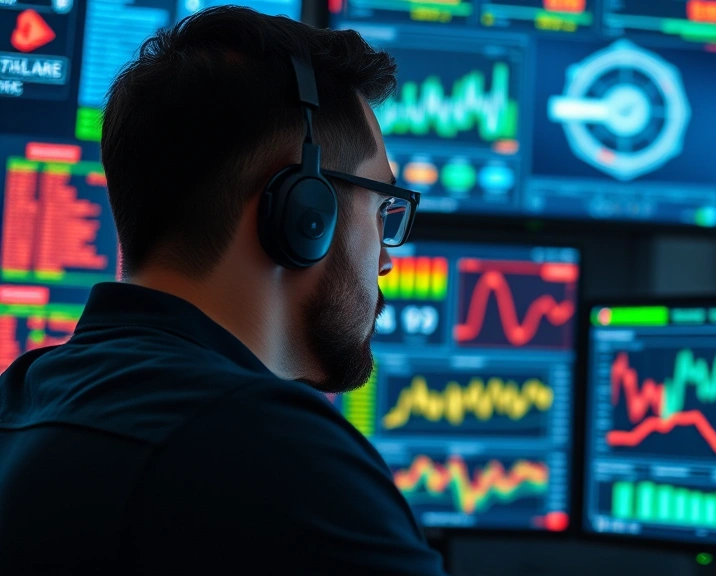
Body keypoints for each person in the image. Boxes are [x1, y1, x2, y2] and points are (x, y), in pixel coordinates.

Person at [0, 7, 447, 574]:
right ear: (304, 211)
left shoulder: (20, 400)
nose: (385, 259)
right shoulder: (277, 454)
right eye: (382, 207)